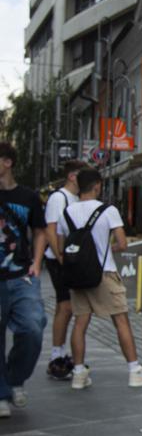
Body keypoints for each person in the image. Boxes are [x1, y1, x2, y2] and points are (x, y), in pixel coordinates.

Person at [57, 167, 142, 390]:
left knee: (80, 322)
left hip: (77, 274)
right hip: (104, 273)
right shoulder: (108, 210)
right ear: (97, 186)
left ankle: (78, 373)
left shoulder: (67, 212)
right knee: (121, 320)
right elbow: (122, 244)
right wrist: (105, 249)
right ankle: (135, 371)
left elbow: (61, 245)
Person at [0, 140, 47, 418]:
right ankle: (2, 392)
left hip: (21, 276)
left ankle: (14, 379)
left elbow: (40, 231)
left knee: (32, 327)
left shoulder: (28, 197)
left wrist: (37, 263)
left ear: (7, 162)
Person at [42, 160, 85, 380]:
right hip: (58, 259)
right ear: (72, 176)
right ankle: (56, 355)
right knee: (65, 306)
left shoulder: (76, 198)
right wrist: (61, 259)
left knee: (68, 307)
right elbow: (50, 230)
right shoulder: (59, 197)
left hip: (69, 258)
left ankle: (60, 353)